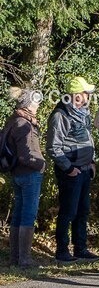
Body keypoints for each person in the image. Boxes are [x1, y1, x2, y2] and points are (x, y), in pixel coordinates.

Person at [47, 76, 99, 263]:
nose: (89, 96)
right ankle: (62, 251)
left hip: (85, 169)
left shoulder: (83, 112)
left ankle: (80, 248)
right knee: (68, 212)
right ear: (77, 95)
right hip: (71, 171)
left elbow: (88, 139)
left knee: (83, 211)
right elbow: (54, 147)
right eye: (86, 93)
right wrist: (69, 169)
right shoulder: (60, 115)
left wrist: (92, 161)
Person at [4, 88, 45, 267]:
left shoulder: (12, 120)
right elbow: (26, 155)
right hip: (29, 174)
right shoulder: (24, 124)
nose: (37, 107)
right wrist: (42, 165)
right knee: (28, 215)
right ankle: (25, 259)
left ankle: (15, 258)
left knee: (19, 214)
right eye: (35, 104)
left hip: (17, 174)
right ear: (28, 105)